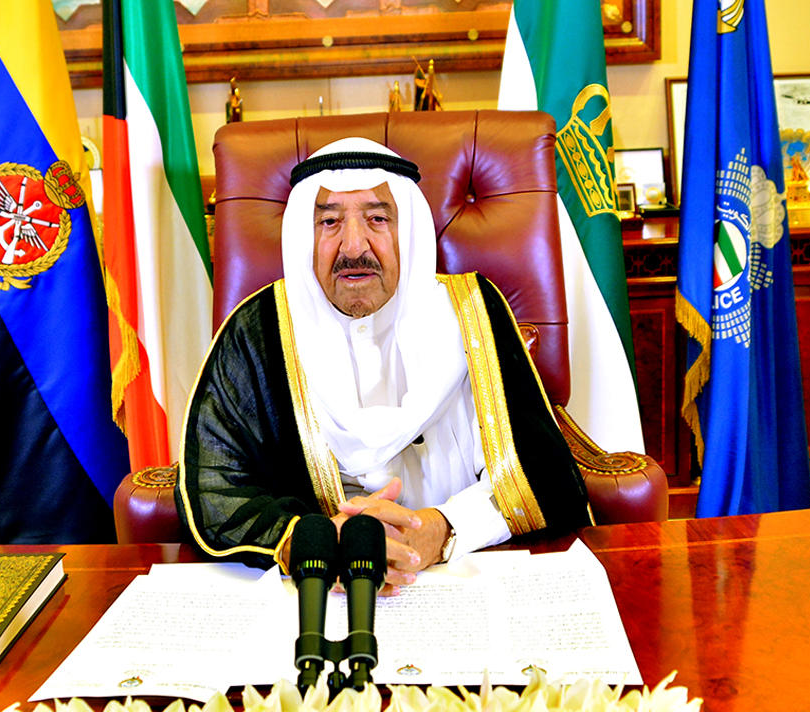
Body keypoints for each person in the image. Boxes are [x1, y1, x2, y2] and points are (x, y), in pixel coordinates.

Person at [176, 137, 591, 592]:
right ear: (303, 237)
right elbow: (215, 485)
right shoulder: (257, 331)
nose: (354, 246)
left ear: (407, 231)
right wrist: (311, 541)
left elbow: (543, 475)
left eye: (377, 219)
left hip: (468, 572)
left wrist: (441, 529)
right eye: (329, 221)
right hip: (321, 588)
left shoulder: (473, 313)